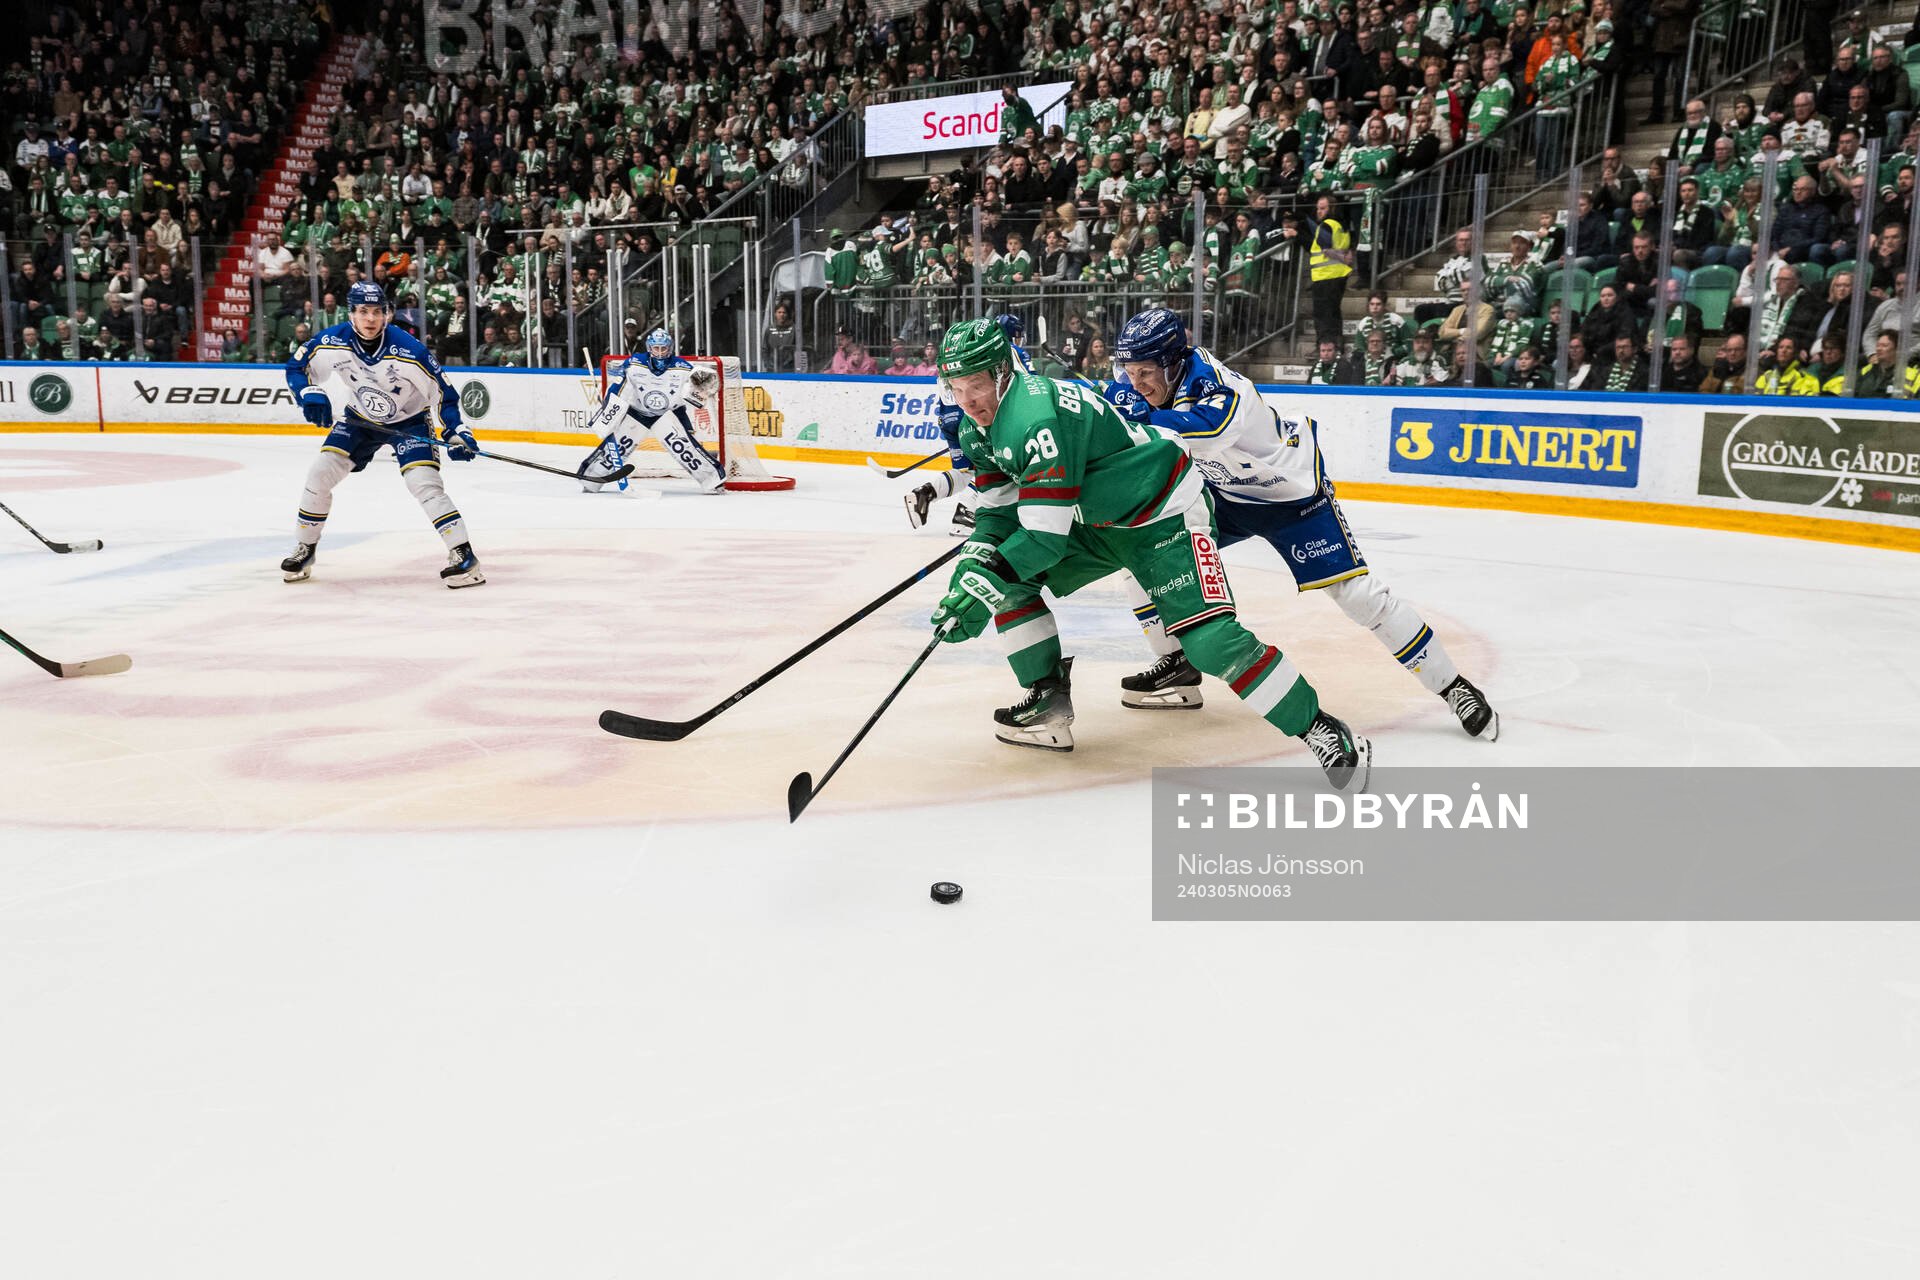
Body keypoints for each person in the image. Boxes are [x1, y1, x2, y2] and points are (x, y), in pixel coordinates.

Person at [929, 317, 1373, 787]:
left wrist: (980, 589)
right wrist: (970, 574)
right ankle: (1047, 700)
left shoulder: (1033, 417)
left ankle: (1323, 729)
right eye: (956, 388)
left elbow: (1042, 538)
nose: (967, 401)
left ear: (1002, 373)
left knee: (1211, 642)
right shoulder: (977, 430)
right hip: (1096, 519)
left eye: (975, 385)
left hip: (1164, 512)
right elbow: (997, 517)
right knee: (1007, 585)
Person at [1102, 308, 1498, 741]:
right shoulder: (1136, 385)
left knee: (1359, 596)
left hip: (1292, 496)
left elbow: (1209, 431)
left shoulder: (1220, 384)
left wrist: (1136, 416)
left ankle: (1454, 687)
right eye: (1130, 371)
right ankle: (1177, 665)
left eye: (1146, 372)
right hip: (1225, 495)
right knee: (1143, 562)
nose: (1136, 383)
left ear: (1174, 362)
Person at [280, 282, 483, 588]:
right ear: (352, 313)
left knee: (423, 483)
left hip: (410, 422)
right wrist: (308, 392)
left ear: (387, 313)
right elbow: (297, 366)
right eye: (363, 311)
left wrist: (457, 431)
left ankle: (463, 555)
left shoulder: (410, 351)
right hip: (360, 419)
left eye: (377, 311)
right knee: (319, 475)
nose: (371, 319)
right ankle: (305, 548)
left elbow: (443, 394)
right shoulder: (333, 340)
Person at [577, 328, 725, 495]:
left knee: (683, 448)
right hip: (638, 412)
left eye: (664, 348)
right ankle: (590, 479)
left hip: (668, 414)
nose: (660, 353)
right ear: (649, 348)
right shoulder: (634, 363)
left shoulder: (683, 367)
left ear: (670, 348)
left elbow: (698, 391)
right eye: (656, 348)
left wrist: (705, 388)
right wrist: (609, 411)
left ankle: (713, 480)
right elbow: (618, 386)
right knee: (619, 446)